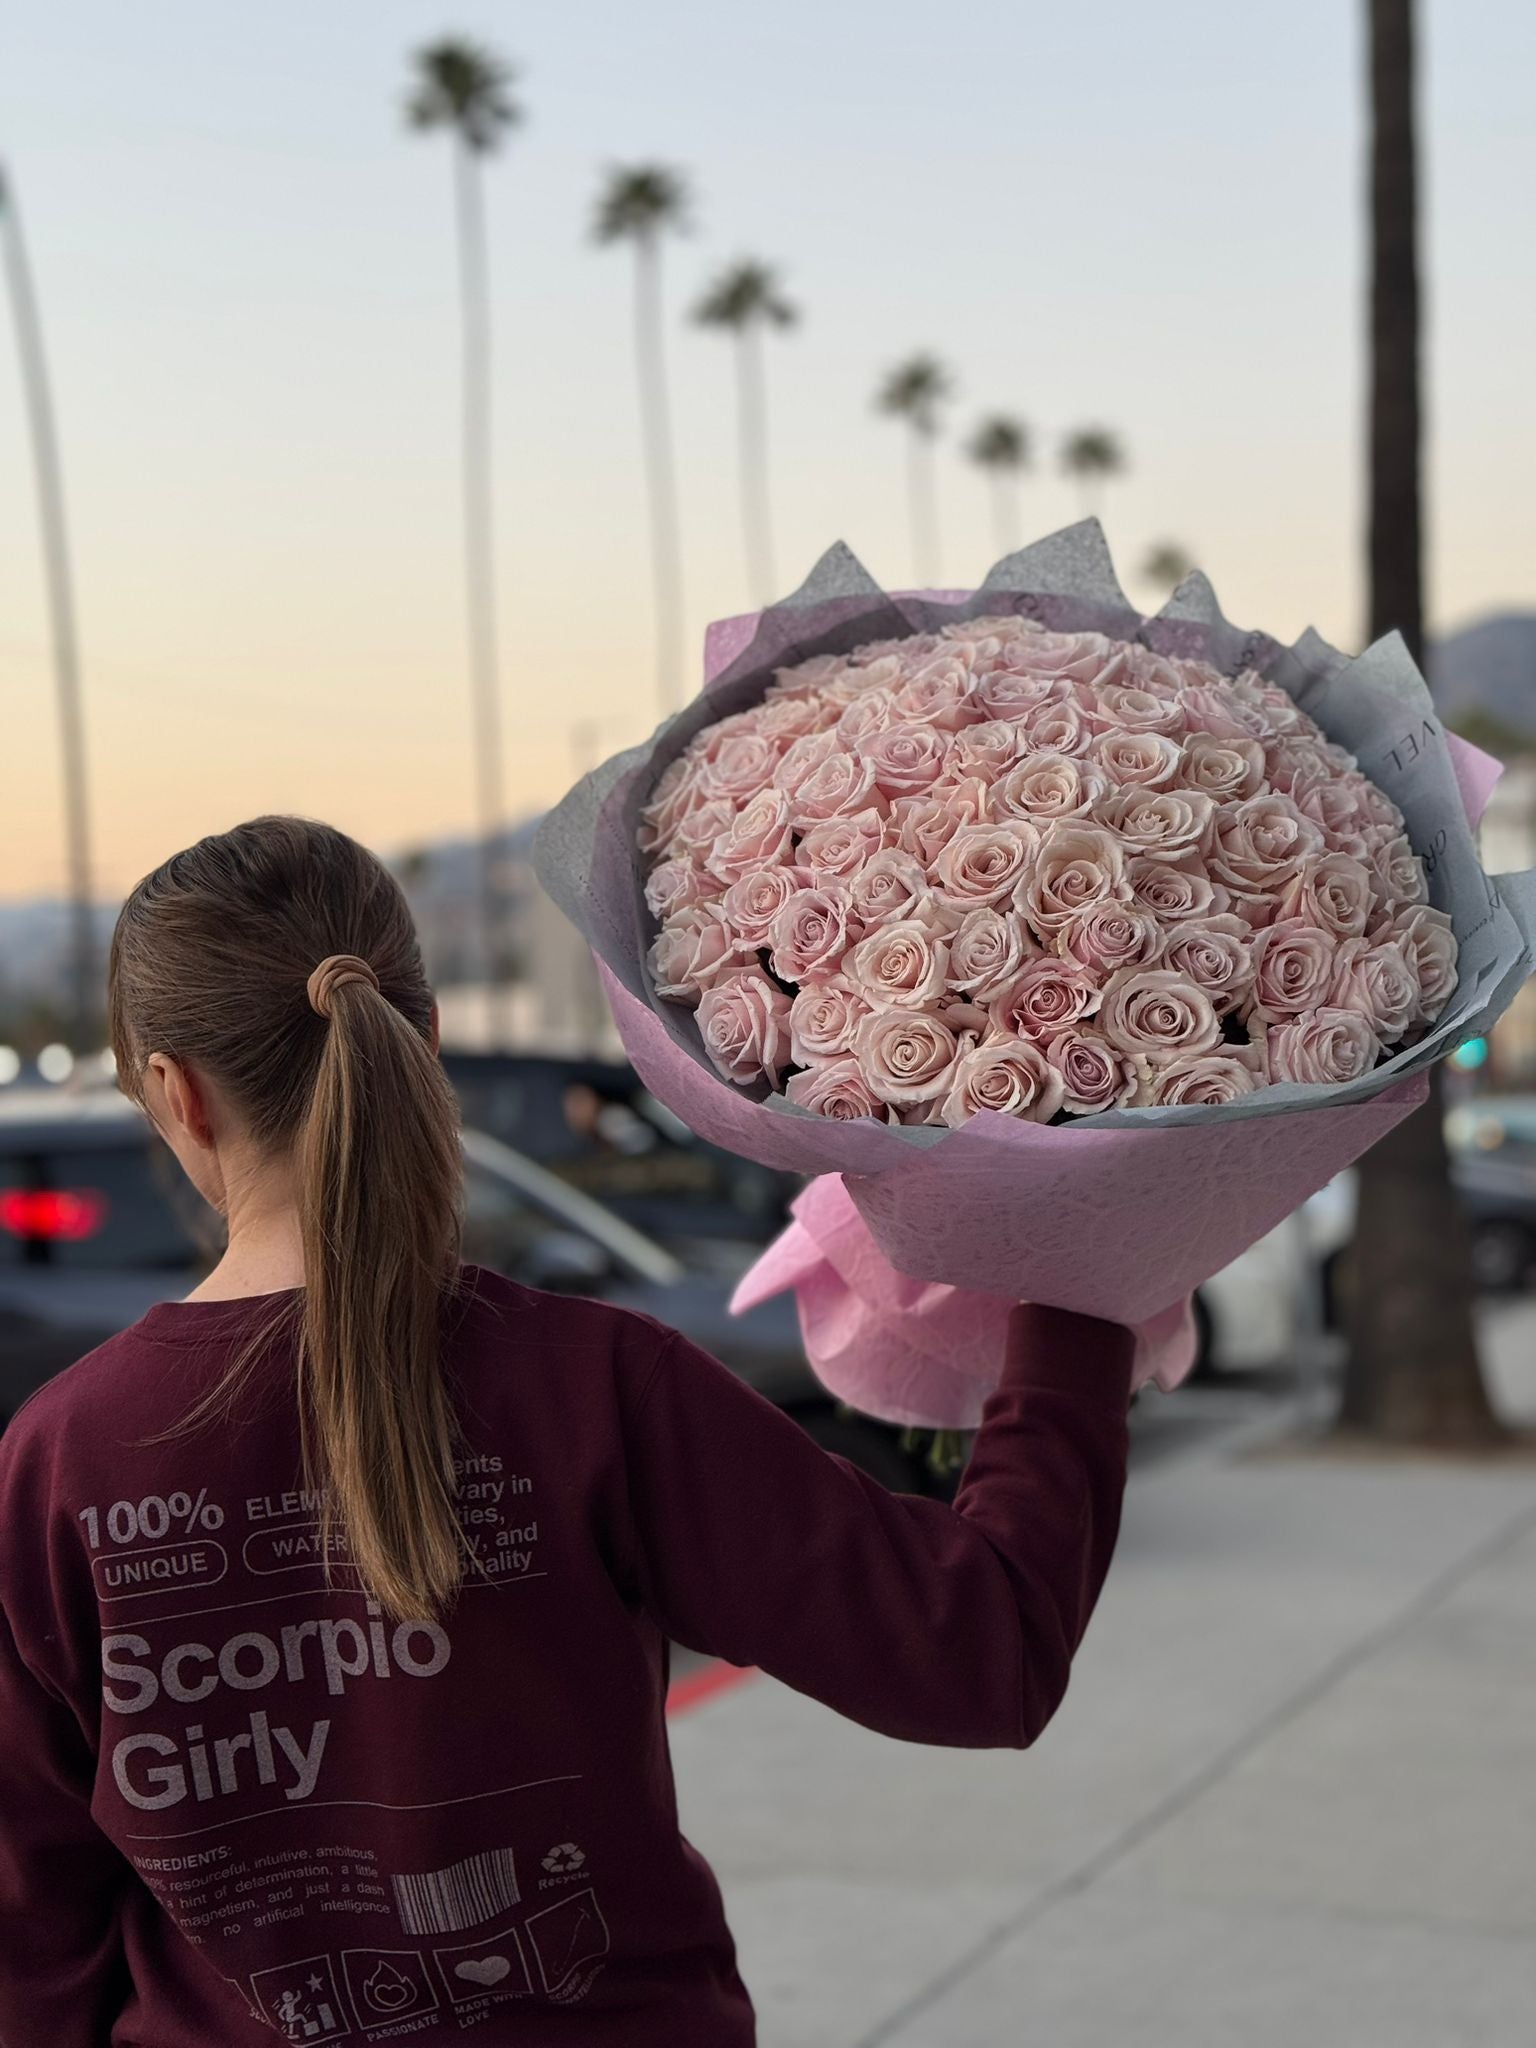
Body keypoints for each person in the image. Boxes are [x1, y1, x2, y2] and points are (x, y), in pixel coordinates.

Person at [0, 816, 1134, 2045]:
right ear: (422, 1037)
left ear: (174, 1091)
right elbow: (979, 1650)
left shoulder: (60, 1458)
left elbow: (34, 1943)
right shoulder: (598, 1381)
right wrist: (1079, 1295)